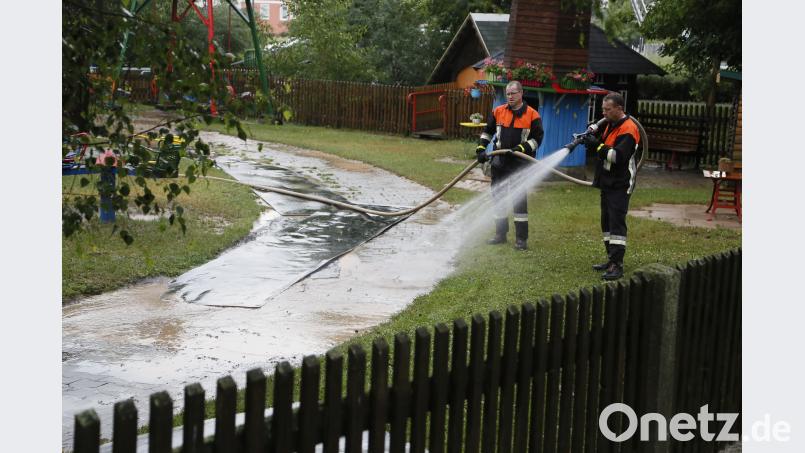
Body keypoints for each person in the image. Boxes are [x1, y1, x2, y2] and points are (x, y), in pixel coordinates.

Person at [475, 81, 544, 250]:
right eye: (508, 94)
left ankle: (521, 239)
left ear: (521, 93)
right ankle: (500, 234)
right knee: (498, 198)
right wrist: (481, 148)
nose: (510, 96)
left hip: (520, 163)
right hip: (499, 162)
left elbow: (537, 140)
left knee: (518, 200)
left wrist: (521, 149)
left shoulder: (532, 115)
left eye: (513, 93)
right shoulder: (498, 111)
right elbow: (488, 132)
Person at [582, 92, 640, 280]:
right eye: (603, 109)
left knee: (616, 224)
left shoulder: (629, 129)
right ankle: (611, 259)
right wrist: (591, 137)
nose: (604, 113)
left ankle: (617, 265)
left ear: (619, 108)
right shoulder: (610, 123)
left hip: (620, 183)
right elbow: (605, 144)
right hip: (607, 181)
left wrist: (597, 146)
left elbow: (617, 157)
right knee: (606, 222)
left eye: (607, 109)